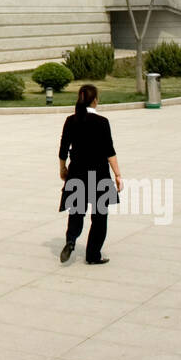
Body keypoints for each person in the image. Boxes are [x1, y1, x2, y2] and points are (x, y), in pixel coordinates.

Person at [58, 85, 124, 266]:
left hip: (77, 173)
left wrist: (62, 168)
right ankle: (93, 254)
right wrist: (118, 175)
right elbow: (109, 150)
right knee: (99, 216)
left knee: (77, 212)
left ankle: (71, 240)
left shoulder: (70, 120)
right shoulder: (102, 122)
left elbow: (63, 149)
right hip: (99, 174)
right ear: (95, 100)